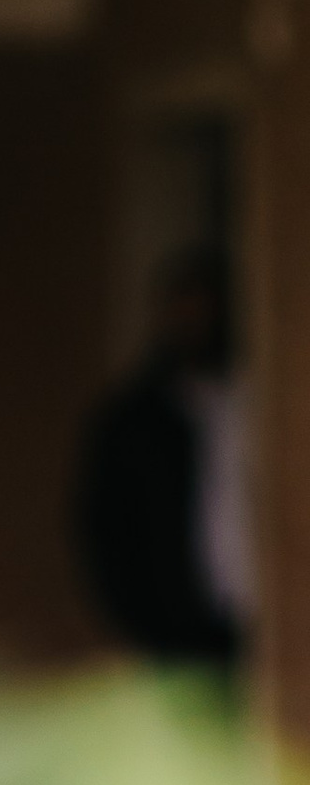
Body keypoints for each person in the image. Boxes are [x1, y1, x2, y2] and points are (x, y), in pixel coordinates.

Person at [70, 244, 253, 673]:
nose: (196, 321)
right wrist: (149, 627)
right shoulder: (134, 421)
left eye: (207, 307)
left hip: (265, 624)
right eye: (184, 308)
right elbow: (106, 530)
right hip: (179, 637)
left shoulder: (259, 405)